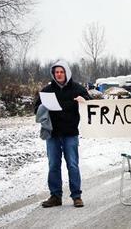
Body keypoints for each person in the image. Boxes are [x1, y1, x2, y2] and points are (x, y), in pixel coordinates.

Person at [34, 60, 90, 208]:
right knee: (53, 165)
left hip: (70, 133)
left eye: (61, 72)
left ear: (67, 73)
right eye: (56, 72)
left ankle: (76, 196)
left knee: (72, 164)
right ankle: (55, 196)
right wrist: (41, 107)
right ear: (53, 74)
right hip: (52, 134)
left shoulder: (77, 88)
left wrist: (84, 101)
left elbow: (91, 104)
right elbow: (36, 109)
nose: (59, 74)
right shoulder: (46, 91)